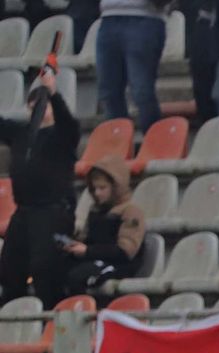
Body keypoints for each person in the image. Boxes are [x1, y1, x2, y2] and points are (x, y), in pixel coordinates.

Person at [0, 71, 79, 307]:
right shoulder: (20, 134)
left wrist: (53, 93)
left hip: (53, 211)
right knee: (9, 267)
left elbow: (69, 123)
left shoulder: (61, 136)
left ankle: (49, 315)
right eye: (35, 106)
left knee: (44, 267)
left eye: (44, 106)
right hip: (25, 211)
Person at [61, 157, 146, 297]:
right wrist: (75, 245)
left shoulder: (130, 211)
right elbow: (89, 240)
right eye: (94, 189)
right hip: (95, 258)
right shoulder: (96, 210)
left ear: (116, 187)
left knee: (77, 277)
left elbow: (125, 252)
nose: (97, 193)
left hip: (119, 265)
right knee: (55, 269)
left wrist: (87, 251)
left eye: (102, 188)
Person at [96, 0, 167, 133]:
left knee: (141, 91)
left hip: (144, 17)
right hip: (108, 17)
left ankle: (154, 145)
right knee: (109, 91)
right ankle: (118, 144)